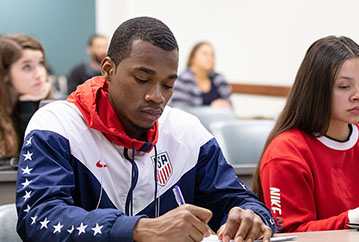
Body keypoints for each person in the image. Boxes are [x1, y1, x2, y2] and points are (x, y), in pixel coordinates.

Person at [16, 17, 275, 242]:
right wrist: (138, 230)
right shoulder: (56, 125)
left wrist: (251, 216)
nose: (157, 96)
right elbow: (39, 218)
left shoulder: (188, 133)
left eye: (168, 85)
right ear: (108, 69)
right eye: (142, 79)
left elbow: (239, 200)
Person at [252, 36, 359, 233]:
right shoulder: (286, 152)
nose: (358, 95)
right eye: (345, 86)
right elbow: (289, 232)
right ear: (317, 90)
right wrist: (354, 218)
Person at [0, 34, 50, 162]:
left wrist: (27, 104)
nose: (39, 74)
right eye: (27, 67)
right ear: (5, 73)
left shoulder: (31, 103)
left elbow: (39, 155)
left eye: (41, 63)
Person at [169, 41, 232, 108]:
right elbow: (180, 109)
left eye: (212, 55)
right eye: (205, 54)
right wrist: (211, 109)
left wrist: (225, 105)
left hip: (220, 118)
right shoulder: (183, 80)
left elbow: (230, 107)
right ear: (193, 57)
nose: (209, 58)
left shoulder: (220, 79)